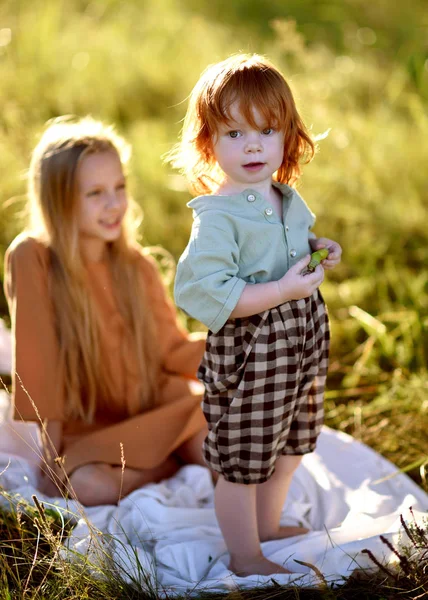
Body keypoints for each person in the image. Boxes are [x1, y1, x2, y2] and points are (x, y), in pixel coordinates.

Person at [169, 54, 342, 576]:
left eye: (267, 131)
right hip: (253, 352)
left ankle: (268, 524)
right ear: (208, 142)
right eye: (234, 132)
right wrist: (283, 289)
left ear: (288, 136)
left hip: (301, 342)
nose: (252, 145)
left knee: (293, 441)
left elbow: (288, 247)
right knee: (242, 458)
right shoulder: (217, 217)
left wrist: (316, 246)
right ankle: (246, 553)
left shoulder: (287, 198)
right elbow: (209, 293)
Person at [4, 116, 208, 506]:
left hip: (157, 409)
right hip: (91, 426)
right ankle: (165, 468)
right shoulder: (33, 258)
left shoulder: (138, 267)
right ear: (60, 201)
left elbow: (172, 349)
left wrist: (237, 351)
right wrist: (51, 450)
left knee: (223, 447)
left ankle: (168, 460)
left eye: (119, 187)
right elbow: (39, 362)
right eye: (95, 193)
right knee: (86, 487)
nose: (115, 204)